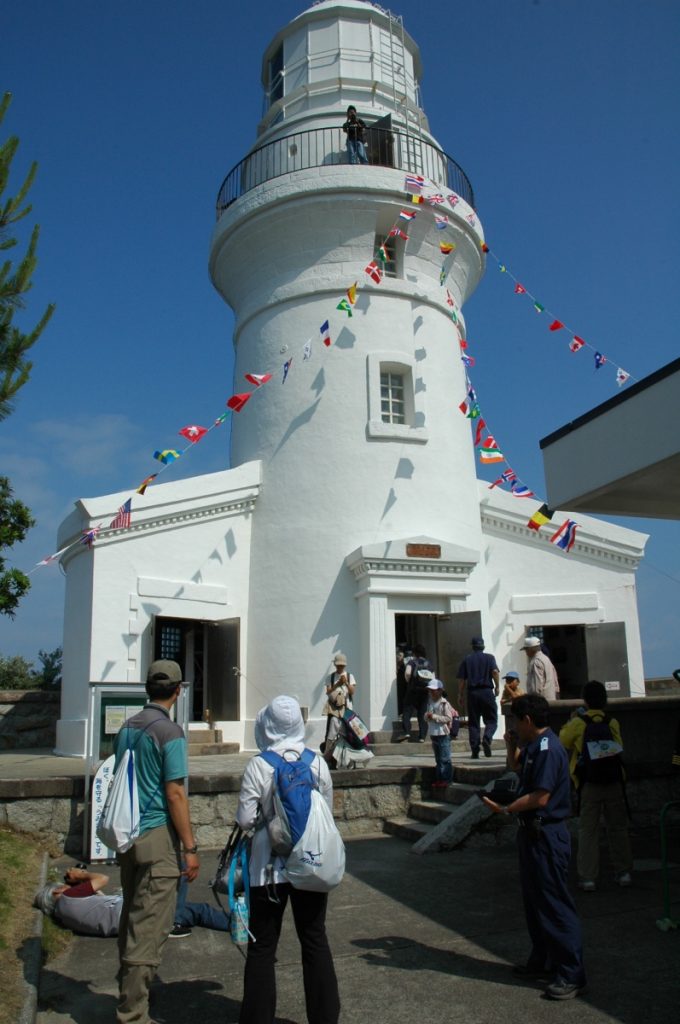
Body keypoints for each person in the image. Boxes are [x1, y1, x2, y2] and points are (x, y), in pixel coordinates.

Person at [236, 695, 341, 1024]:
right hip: (310, 864)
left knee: (263, 947)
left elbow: (244, 821)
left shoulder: (259, 765)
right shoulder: (318, 763)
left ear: (268, 725)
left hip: (268, 871)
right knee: (314, 939)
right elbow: (326, 810)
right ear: (299, 723)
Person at [483, 694, 587, 1001]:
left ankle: (570, 972)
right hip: (531, 834)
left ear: (528, 720)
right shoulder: (532, 747)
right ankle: (543, 959)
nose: (513, 724)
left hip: (547, 834)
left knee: (554, 903)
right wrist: (511, 745)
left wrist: (506, 809)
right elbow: (517, 768)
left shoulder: (548, 749)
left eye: (516, 719)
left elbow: (541, 797)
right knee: (535, 902)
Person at [114, 659, 200, 1024]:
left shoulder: (127, 727)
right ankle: (133, 1014)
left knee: (132, 919)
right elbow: (175, 793)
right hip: (157, 837)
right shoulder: (170, 732)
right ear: (178, 691)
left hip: (130, 835)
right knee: (149, 928)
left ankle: (129, 992)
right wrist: (191, 848)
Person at [559, 680, 632, 891]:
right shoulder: (612, 722)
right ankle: (624, 872)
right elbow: (619, 748)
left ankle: (588, 877)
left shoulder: (579, 722)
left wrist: (571, 719)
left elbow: (563, 741)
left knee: (588, 830)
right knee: (618, 828)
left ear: (586, 700)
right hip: (614, 781)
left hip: (589, 783)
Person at [34, 867, 228, 939]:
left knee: (197, 911)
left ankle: (238, 924)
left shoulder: (65, 917)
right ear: (58, 890)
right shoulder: (69, 897)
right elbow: (102, 879)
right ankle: (171, 922)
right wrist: (80, 875)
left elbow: (100, 901)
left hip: (128, 922)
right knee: (183, 871)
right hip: (136, 912)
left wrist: (84, 884)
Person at [457, 636, 500, 758]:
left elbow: (461, 679)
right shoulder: (490, 658)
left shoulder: (467, 659)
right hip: (487, 691)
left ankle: (475, 750)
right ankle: (487, 737)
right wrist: (497, 686)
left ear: (473, 646)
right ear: (483, 646)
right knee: (491, 720)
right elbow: (495, 672)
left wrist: (460, 694)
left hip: (473, 693)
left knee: (474, 723)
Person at [322, 652, 356, 765]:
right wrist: (337, 684)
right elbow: (328, 692)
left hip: (347, 710)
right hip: (334, 710)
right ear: (335, 665)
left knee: (348, 734)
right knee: (330, 734)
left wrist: (345, 682)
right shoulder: (330, 677)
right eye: (338, 665)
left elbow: (352, 692)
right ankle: (329, 757)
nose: (340, 667)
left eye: (342, 665)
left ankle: (349, 759)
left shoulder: (350, 676)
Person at [398, 643, 434, 742]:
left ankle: (407, 732)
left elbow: (408, 673)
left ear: (415, 653)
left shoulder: (412, 662)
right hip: (424, 691)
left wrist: (408, 682)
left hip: (412, 690)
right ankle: (422, 736)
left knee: (407, 711)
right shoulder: (428, 663)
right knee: (422, 714)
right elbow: (433, 677)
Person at [424, 679, 453, 787]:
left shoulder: (444, 703)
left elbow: (448, 718)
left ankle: (446, 779)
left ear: (440, 691)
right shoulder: (430, 703)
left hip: (442, 733)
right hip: (433, 732)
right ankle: (439, 778)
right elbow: (426, 716)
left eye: (433, 690)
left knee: (444, 757)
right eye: (430, 691)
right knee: (438, 758)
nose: (431, 693)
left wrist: (434, 717)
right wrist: (427, 716)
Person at [501, 670, 525, 768]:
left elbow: (516, 697)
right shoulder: (505, 692)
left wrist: (510, 693)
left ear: (517, 682)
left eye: (511, 680)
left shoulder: (520, 690)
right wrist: (509, 698)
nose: (508, 683)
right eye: (507, 681)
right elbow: (502, 702)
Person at [523, 636, 559, 700]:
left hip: (540, 701)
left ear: (531, 649)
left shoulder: (536, 661)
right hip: (550, 698)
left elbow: (536, 687)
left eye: (526, 649)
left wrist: (533, 700)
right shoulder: (546, 658)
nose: (526, 652)